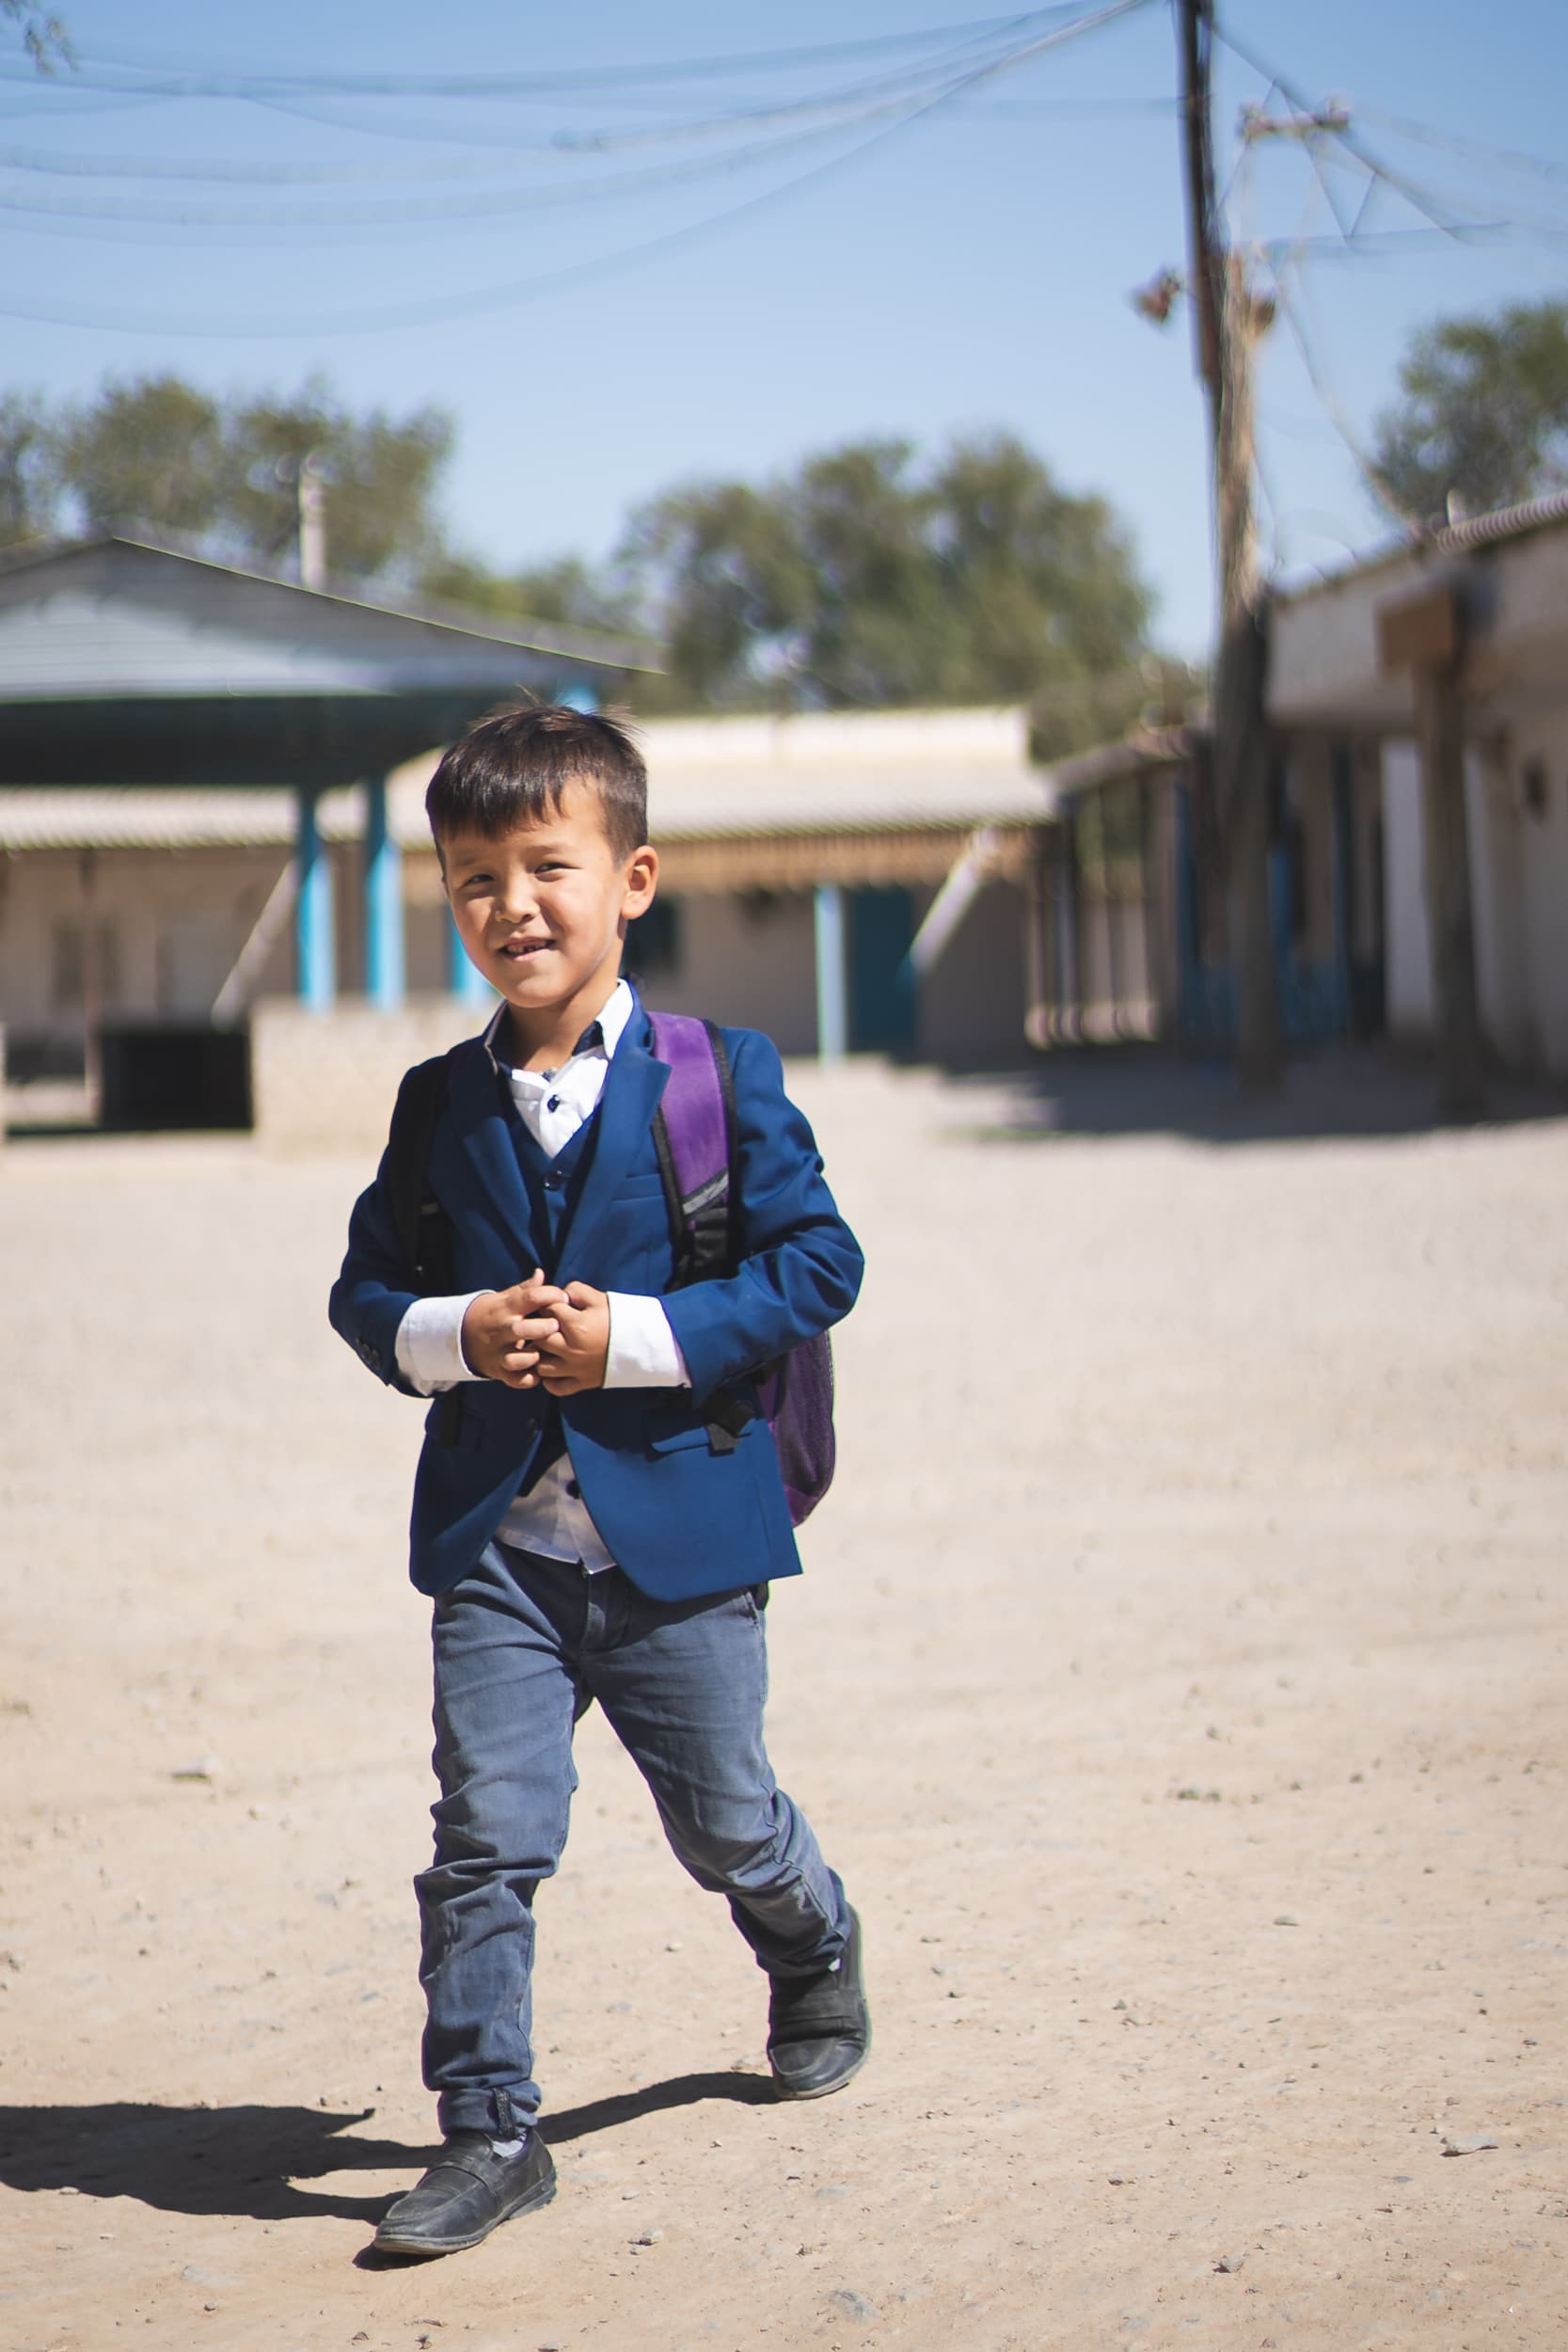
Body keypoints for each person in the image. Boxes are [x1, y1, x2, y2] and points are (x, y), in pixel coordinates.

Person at [329, 703, 867, 2261]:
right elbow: (367, 1297)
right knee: (487, 1836)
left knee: (724, 1822)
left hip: (680, 1535)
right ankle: (489, 2129)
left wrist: (635, 1338)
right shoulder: (437, 1103)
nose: (514, 907)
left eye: (547, 867)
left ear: (632, 878)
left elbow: (821, 1261)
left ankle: (811, 1935)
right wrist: (457, 1331)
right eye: (476, 877)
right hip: (503, 1543)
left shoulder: (721, 1074)